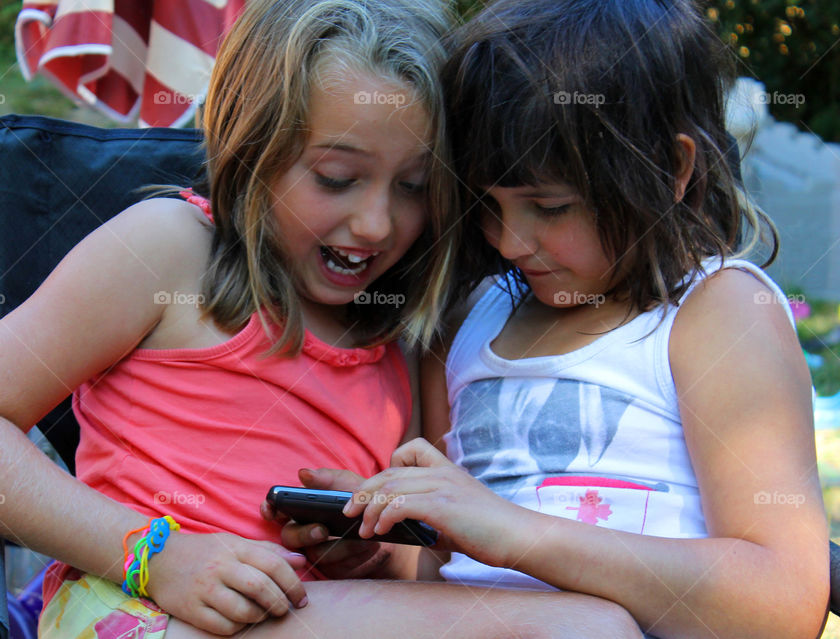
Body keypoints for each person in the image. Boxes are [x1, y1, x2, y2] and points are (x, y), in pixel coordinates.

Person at [0, 1, 643, 638]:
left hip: (296, 610)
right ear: (253, 151)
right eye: (337, 178)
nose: (377, 223)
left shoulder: (403, 338)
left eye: (414, 186)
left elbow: (409, 579)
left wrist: (364, 553)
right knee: (587, 627)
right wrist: (157, 553)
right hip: (139, 605)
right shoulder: (169, 250)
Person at [311, 1, 829, 638]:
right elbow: (439, 573)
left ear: (671, 170)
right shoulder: (470, 321)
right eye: (487, 205)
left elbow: (782, 604)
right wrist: (377, 552)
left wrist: (517, 534)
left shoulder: (713, 315)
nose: (508, 242)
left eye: (549, 206)